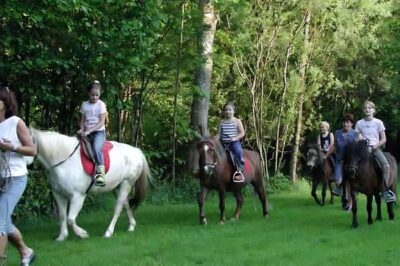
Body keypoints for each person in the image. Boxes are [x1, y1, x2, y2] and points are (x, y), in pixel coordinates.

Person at [0, 84, 36, 266]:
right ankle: (25, 251)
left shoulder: (16, 122)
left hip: (16, 178)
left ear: (5, 103)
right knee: (4, 220)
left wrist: (11, 146)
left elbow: (32, 150)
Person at [355, 100, 395, 203]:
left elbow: (383, 139)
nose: (367, 110)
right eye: (365, 108)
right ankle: (345, 187)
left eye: (369, 108)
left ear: (373, 110)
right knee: (349, 164)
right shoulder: (359, 123)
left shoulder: (378, 122)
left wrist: (374, 147)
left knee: (386, 165)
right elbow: (356, 139)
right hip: (362, 149)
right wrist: (359, 139)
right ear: (363, 110)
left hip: (375, 148)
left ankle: (385, 190)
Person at [78, 80, 107, 187]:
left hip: (98, 132)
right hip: (86, 132)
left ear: (100, 94)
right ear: (88, 94)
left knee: (96, 147)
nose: (94, 97)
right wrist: (81, 129)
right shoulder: (84, 105)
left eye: (97, 95)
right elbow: (82, 120)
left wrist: (89, 130)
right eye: (92, 95)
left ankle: (101, 173)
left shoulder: (101, 105)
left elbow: (101, 122)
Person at [217, 102, 245, 182]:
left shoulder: (237, 121)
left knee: (238, 151)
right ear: (224, 111)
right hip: (223, 143)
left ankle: (239, 172)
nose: (228, 111)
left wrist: (235, 138)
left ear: (233, 111)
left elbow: (242, 133)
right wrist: (215, 139)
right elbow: (219, 134)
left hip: (233, 143)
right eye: (226, 110)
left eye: (230, 110)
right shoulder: (222, 122)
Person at [332, 113, 357, 198]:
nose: (345, 124)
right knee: (337, 180)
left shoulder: (356, 133)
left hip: (351, 161)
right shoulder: (337, 133)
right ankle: (339, 188)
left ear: (351, 124)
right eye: (344, 122)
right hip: (340, 160)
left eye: (347, 122)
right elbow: (335, 146)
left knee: (351, 180)